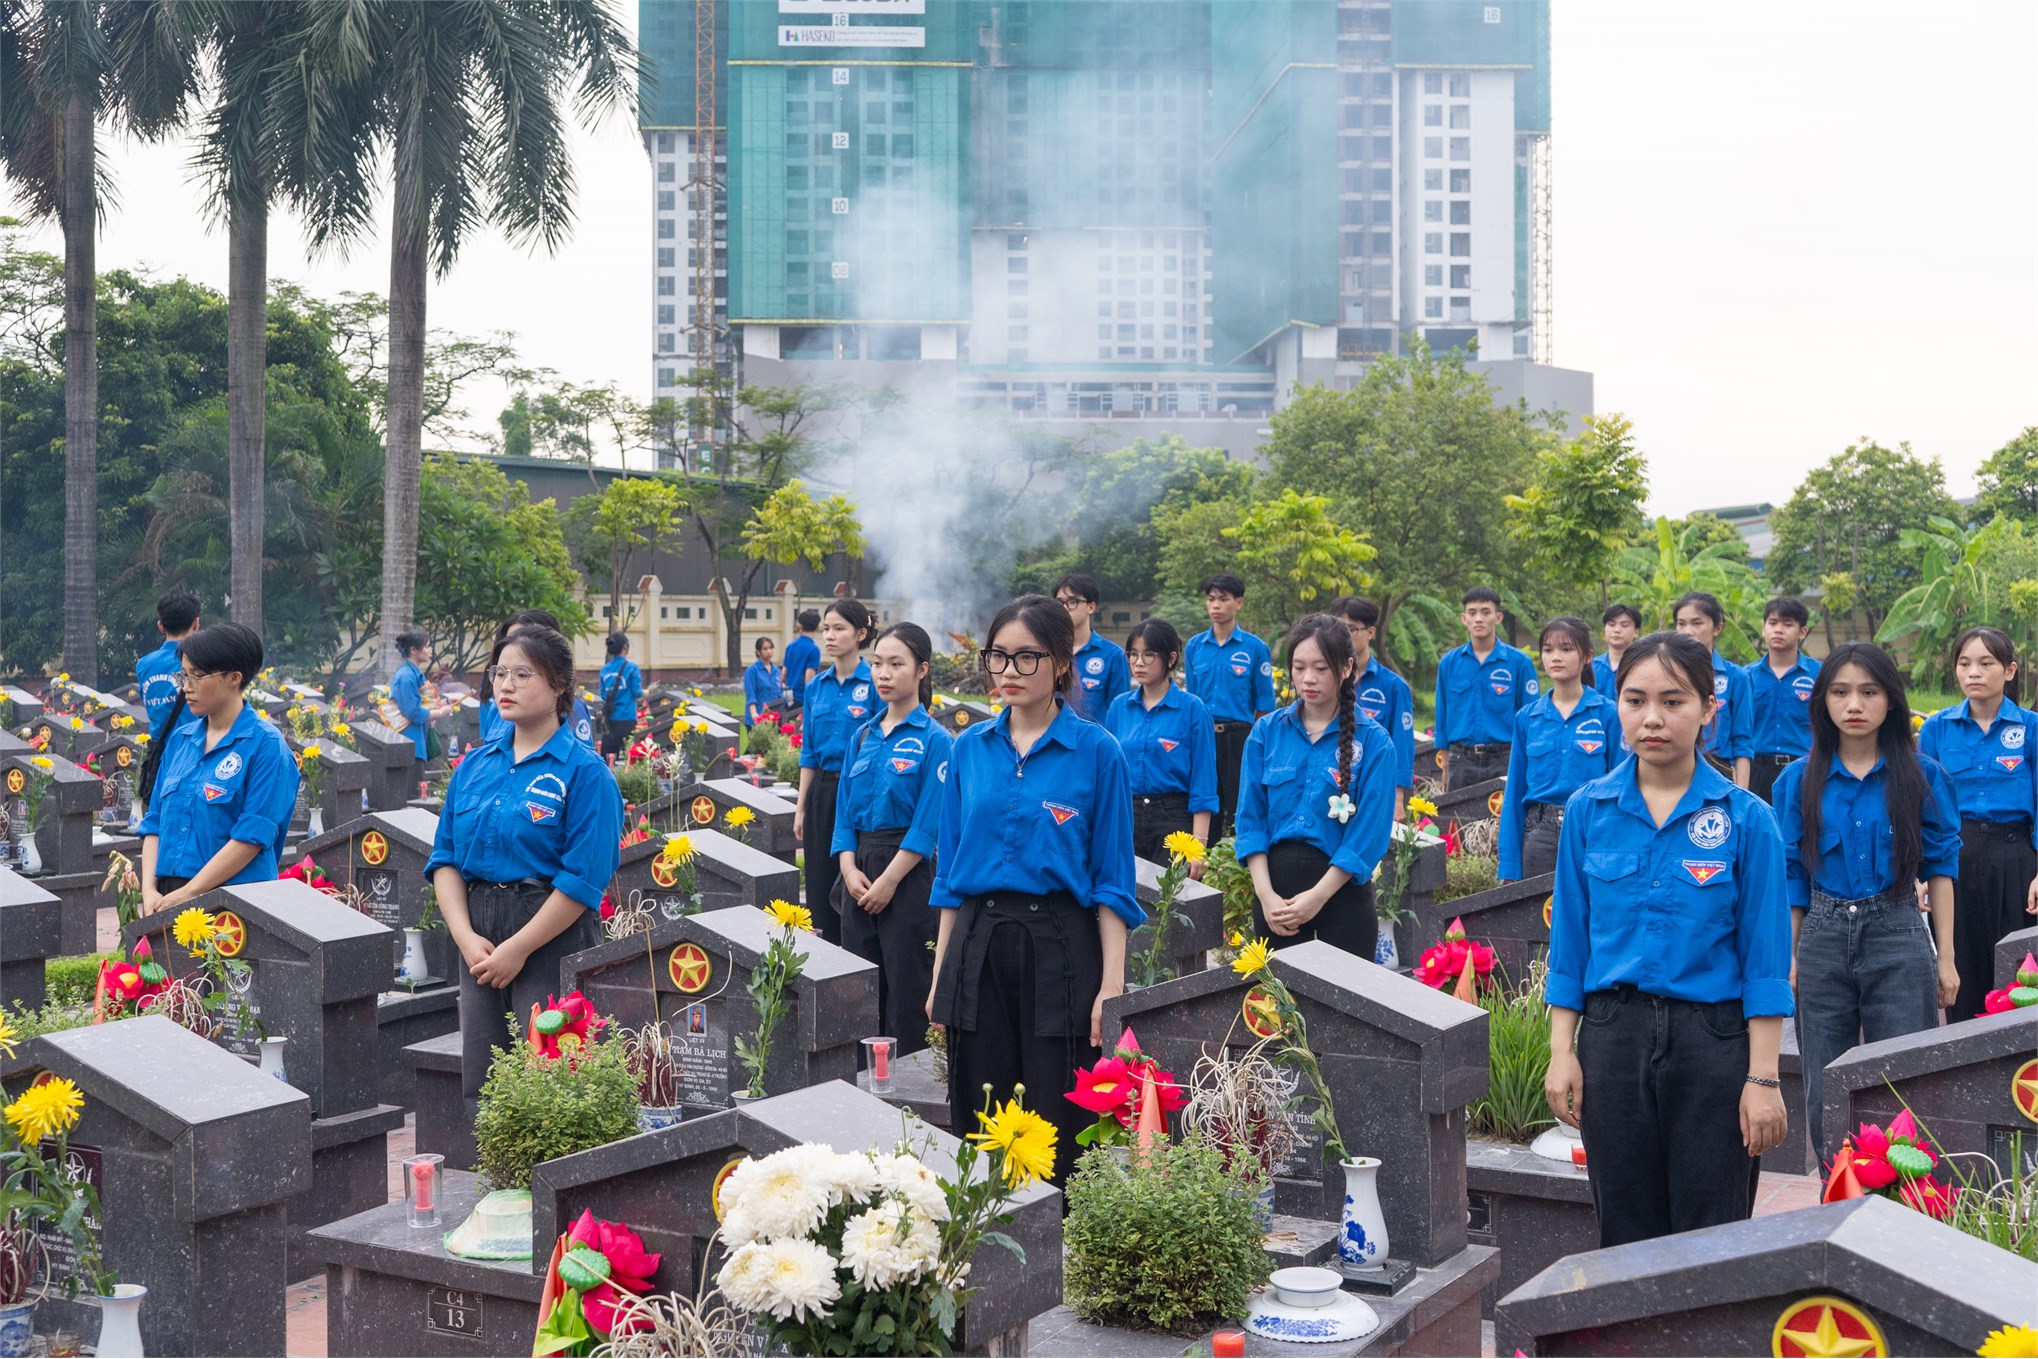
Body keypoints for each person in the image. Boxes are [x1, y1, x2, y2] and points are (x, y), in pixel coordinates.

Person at [1543, 631, 1791, 1248]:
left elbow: (1765, 961)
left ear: (1711, 709)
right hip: (1612, 1036)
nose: (1652, 718)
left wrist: (1763, 1080)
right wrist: (1561, 1050)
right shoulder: (1587, 810)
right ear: (1616, 705)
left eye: (1674, 701)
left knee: (1711, 1231)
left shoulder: (1747, 820)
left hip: (1713, 1043)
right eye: (1635, 700)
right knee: (1624, 1229)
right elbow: (1570, 946)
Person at [926, 594, 1139, 1185]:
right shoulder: (968, 749)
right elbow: (948, 875)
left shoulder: (1098, 752)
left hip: (1061, 946)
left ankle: (1058, 1255)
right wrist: (943, 973)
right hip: (978, 939)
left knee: (1057, 1108)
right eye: (999, 658)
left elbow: (1113, 881)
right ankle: (988, 1249)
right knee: (981, 1101)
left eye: (1027, 658)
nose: (1009, 673)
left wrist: (1110, 990)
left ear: (1062, 663)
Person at [1771, 642, 1960, 1164]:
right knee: (1824, 1079)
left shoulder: (1922, 776)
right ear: (1823, 702)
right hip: (1822, 936)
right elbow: (1791, 877)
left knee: (1903, 1075)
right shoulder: (1796, 782)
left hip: (1898, 927)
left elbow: (1942, 869)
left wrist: (1945, 958)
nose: (1854, 704)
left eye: (1868, 692)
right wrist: (1788, 956)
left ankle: (1902, 1208)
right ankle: (1837, 1190)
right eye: (1840, 692)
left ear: (1891, 701)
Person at [425, 625, 623, 1098]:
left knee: (553, 1076)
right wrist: (466, 938)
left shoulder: (584, 772)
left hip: (547, 933)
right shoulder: (474, 765)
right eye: (499, 673)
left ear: (559, 686)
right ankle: (495, 1174)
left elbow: (582, 879)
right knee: (485, 1078)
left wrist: (517, 949)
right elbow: (446, 858)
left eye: (522, 674)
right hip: (478, 936)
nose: (505, 685)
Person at [1234, 615, 1396, 957]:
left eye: (1321, 668)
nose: (1308, 679)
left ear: (1346, 667)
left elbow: (1369, 834)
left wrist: (1318, 897)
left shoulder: (1375, 743)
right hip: (1276, 902)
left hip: (1341, 901)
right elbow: (1251, 821)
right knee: (1273, 1008)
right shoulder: (1266, 733)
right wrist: (1266, 898)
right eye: (1299, 667)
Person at [832, 622, 953, 1058]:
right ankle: (859, 1084)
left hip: (908, 874)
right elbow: (843, 814)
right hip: (858, 871)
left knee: (907, 986)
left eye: (895, 664)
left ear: (921, 670)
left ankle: (908, 1094)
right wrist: (848, 869)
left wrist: (889, 882)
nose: (883, 673)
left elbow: (928, 824)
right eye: (877, 663)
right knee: (856, 988)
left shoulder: (937, 741)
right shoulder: (861, 736)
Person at [138, 623, 301, 915]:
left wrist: (189, 893)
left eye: (197, 677)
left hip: (234, 907)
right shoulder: (180, 739)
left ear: (234, 678)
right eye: (183, 675)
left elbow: (251, 837)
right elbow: (155, 821)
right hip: (168, 898)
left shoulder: (266, 746)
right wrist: (149, 891)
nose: (186, 686)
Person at [1920, 628, 2038, 1021]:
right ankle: (1963, 1070)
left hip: (2015, 857)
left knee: (2019, 972)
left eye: (1986, 663)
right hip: (1956, 857)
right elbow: (1922, 804)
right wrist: (1921, 872)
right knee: (1959, 968)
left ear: (2009, 671)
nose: (1974, 672)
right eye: (1964, 663)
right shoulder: (1936, 728)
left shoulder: (2030, 728)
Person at [1498, 617, 1619, 882]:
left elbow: (1620, 785)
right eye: (1548, 649)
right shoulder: (1528, 718)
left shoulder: (1608, 714)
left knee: (1588, 915)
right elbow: (1515, 790)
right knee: (1537, 916)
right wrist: (1509, 865)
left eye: (1566, 649)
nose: (1556, 657)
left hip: (1591, 828)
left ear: (1586, 656)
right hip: (1538, 831)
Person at [1104, 618, 1217, 865]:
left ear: (1171, 658)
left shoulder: (1192, 709)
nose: (1138, 662)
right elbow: (1108, 773)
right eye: (1132, 654)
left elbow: (1203, 781)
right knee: (1126, 896)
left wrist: (1198, 848)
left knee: (1170, 899)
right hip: (1126, 815)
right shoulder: (1119, 707)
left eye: (1149, 654)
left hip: (1173, 818)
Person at [796, 598, 875, 947]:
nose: (829, 635)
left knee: (854, 876)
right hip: (823, 790)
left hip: (860, 791)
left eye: (839, 628)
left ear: (860, 633)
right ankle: (823, 953)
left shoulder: (875, 683)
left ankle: (856, 953)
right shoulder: (817, 687)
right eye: (827, 628)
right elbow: (809, 751)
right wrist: (801, 807)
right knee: (817, 876)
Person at [1183, 574, 1277, 836]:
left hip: (1240, 737)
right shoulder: (1194, 647)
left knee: (1240, 805)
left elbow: (1264, 704)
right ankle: (1202, 865)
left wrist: (1258, 745)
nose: (1216, 606)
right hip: (1204, 735)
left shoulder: (1255, 647)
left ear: (1238, 603)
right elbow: (1191, 698)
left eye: (1223, 599)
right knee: (1205, 802)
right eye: (1211, 599)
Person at [1433, 587, 1537, 790]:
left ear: (1498, 617)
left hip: (1505, 757)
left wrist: (1529, 762)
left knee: (1504, 820)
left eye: (1485, 612)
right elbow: (1442, 712)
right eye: (1472, 613)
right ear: (1464, 618)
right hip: (1461, 758)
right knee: (1457, 819)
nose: (1478, 619)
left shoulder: (1519, 663)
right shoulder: (1449, 662)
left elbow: (1531, 717)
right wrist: (1445, 762)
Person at [1329, 596, 1415, 817]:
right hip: (1329, 782)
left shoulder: (1393, 687)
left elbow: (1402, 745)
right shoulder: (1325, 679)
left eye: (1351, 629)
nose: (1343, 636)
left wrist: (1397, 799)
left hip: (1374, 785)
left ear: (1370, 632)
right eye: (1338, 629)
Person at [478, 609, 597, 750]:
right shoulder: (496, 710)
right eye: (511, 639)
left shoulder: (573, 709)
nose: (515, 646)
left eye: (522, 675)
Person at [1744, 598, 1820, 803]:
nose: (1778, 630)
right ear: (1763, 628)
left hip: (1805, 768)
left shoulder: (1819, 674)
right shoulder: (1745, 676)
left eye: (1787, 624)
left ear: (1802, 632)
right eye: (1773, 623)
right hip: (1756, 770)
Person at [1673, 592, 1752, 788]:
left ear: (1717, 628)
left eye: (1697, 623)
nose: (1687, 631)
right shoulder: (1665, 676)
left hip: (1718, 769)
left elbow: (1742, 742)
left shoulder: (1736, 677)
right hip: (1673, 767)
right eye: (1681, 624)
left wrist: (1741, 794)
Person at [1053, 573, 1130, 724]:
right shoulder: (1048, 651)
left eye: (1072, 602)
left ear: (1091, 607)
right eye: (1059, 602)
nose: (1065, 608)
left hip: (1093, 744)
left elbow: (1121, 713)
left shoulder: (1113, 655)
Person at [136, 588, 204, 745]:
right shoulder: (201, 661)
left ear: (160, 626)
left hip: (159, 753)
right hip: (194, 748)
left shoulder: (143, 665)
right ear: (196, 623)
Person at [387, 631, 456, 773]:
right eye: (427, 646)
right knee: (414, 793)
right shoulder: (407, 676)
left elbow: (421, 704)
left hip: (416, 741)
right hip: (409, 743)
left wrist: (444, 702)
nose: (430, 650)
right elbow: (414, 711)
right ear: (413, 650)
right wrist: (441, 712)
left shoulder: (413, 673)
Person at [596, 632, 644, 760]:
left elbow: (603, 694)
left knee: (609, 760)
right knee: (630, 758)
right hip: (627, 717)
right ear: (625, 647)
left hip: (610, 719)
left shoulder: (605, 669)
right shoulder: (632, 667)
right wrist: (647, 692)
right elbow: (637, 692)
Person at [1591, 604, 1642, 700]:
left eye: (1624, 625)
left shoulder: (1641, 667)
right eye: (1611, 624)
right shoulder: (1590, 667)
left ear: (1636, 631)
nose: (1617, 630)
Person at [781, 611, 823, 713]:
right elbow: (809, 680)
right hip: (802, 699)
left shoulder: (790, 647)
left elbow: (783, 676)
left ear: (800, 625)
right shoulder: (813, 650)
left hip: (788, 699)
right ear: (817, 627)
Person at [743, 637, 786, 729]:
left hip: (773, 718)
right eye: (765, 649)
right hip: (758, 716)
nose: (769, 651)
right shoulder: (752, 671)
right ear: (758, 652)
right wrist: (754, 714)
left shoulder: (776, 670)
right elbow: (750, 695)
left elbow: (779, 693)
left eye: (771, 648)